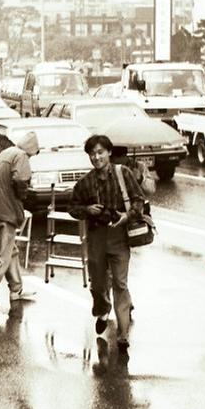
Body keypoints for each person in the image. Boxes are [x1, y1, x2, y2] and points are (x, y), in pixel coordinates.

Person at [68, 135, 145, 355]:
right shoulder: (85, 182)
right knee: (98, 284)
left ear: (109, 152)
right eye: (92, 153)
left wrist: (127, 216)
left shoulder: (123, 174)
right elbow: (72, 207)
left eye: (100, 152)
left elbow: (139, 200)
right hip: (96, 236)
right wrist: (87, 210)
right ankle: (102, 309)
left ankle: (122, 334)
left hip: (120, 235)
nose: (96, 157)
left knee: (120, 283)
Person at [0, 132, 39, 307]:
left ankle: (16, 289)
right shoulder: (21, 156)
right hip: (5, 209)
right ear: (32, 149)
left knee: (10, 250)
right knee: (2, 253)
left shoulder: (7, 153)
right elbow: (20, 179)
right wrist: (23, 193)